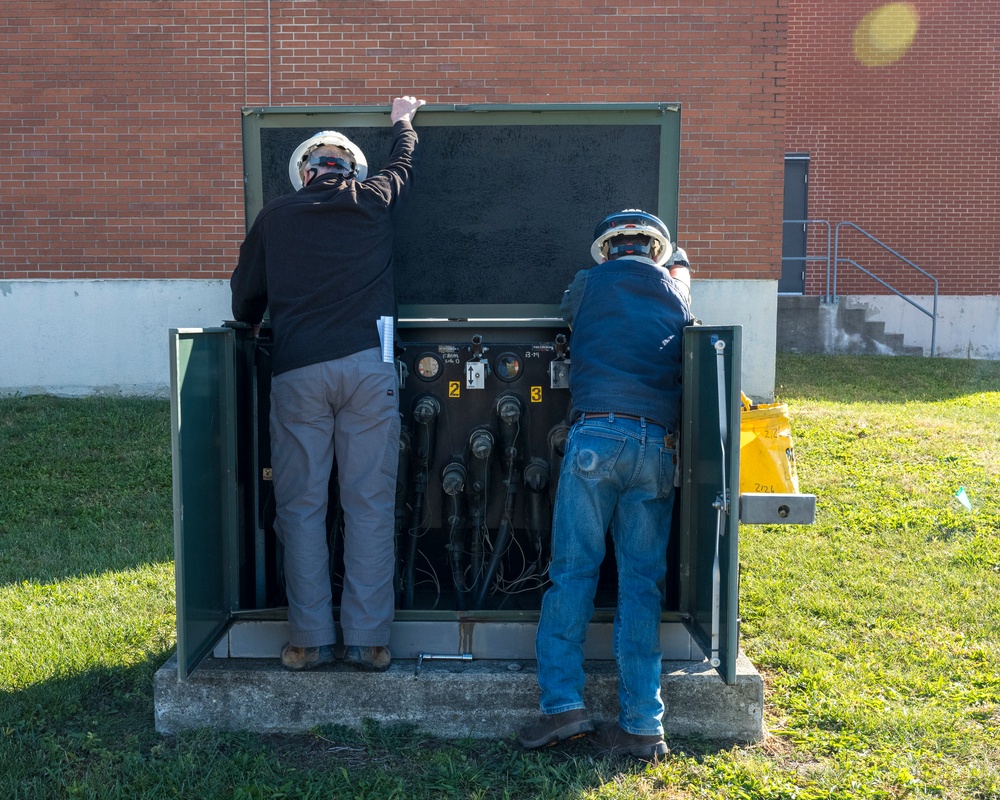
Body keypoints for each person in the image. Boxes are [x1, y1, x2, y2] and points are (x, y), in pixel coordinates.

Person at [230, 95, 426, 673]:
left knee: (301, 507)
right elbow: (405, 165)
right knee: (368, 504)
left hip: (298, 374)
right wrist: (403, 123)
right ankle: (368, 642)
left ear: (305, 173)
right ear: (351, 171)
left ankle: (309, 641)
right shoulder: (372, 200)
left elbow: (244, 303)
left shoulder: (275, 218)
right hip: (370, 370)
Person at [517, 209, 694, 758]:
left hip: (598, 436)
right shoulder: (675, 291)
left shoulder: (587, 284)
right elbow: (683, 303)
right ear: (655, 250)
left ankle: (562, 707)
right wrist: (679, 268)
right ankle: (643, 725)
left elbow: (569, 316)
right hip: (657, 446)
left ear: (608, 249)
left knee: (573, 573)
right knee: (642, 584)